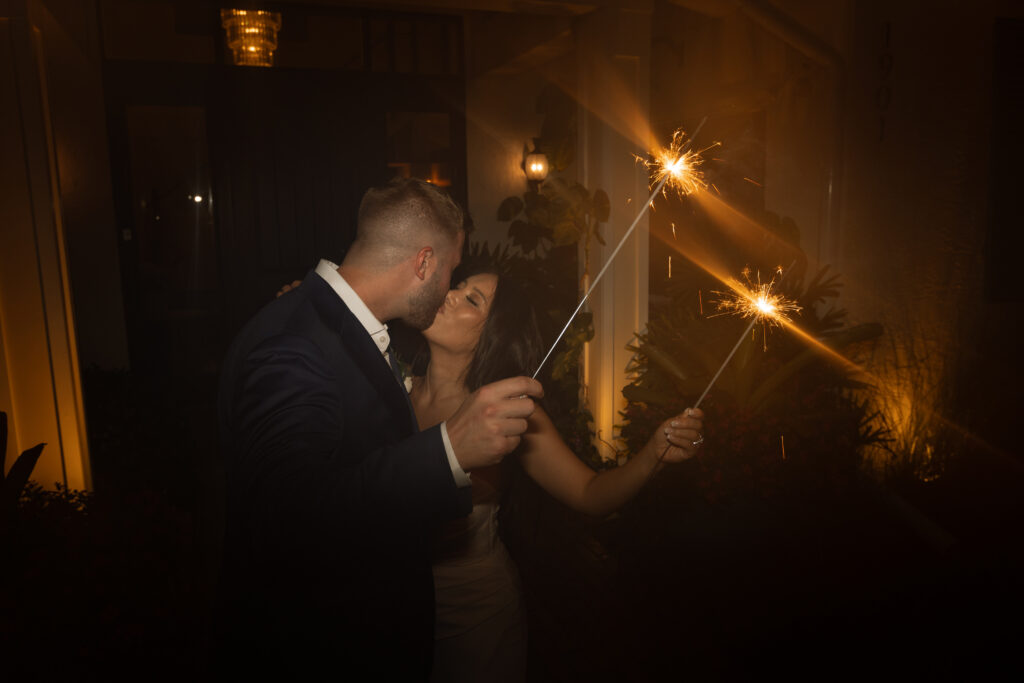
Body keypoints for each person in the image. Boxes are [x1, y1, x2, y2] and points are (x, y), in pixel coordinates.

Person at [217, 178, 543, 680]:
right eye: (452, 273)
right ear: (424, 263)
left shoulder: (340, 325)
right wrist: (447, 451)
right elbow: (287, 521)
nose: (449, 291)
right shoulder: (297, 346)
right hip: (326, 647)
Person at [406, 263, 706, 682]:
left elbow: (588, 493)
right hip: (393, 611)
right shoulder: (388, 389)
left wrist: (653, 454)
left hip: (474, 620)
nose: (449, 294)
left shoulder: (510, 414)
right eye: (458, 287)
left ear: (492, 336)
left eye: (471, 299)